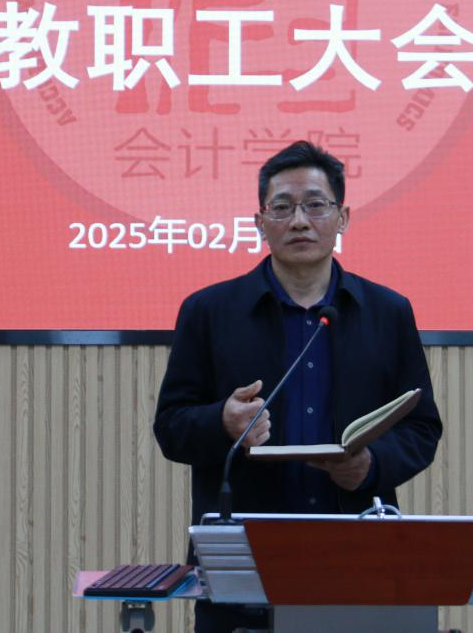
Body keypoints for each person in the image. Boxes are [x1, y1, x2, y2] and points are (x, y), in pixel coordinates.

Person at [152, 140, 443, 633]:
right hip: (244, 564)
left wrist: (371, 466)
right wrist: (222, 421)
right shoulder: (208, 311)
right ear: (259, 222)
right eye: (282, 208)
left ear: (342, 217)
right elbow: (171, 427)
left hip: (360, 557)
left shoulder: (387, 312)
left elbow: (421, 428)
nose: (300, 222)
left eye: (315, 205)